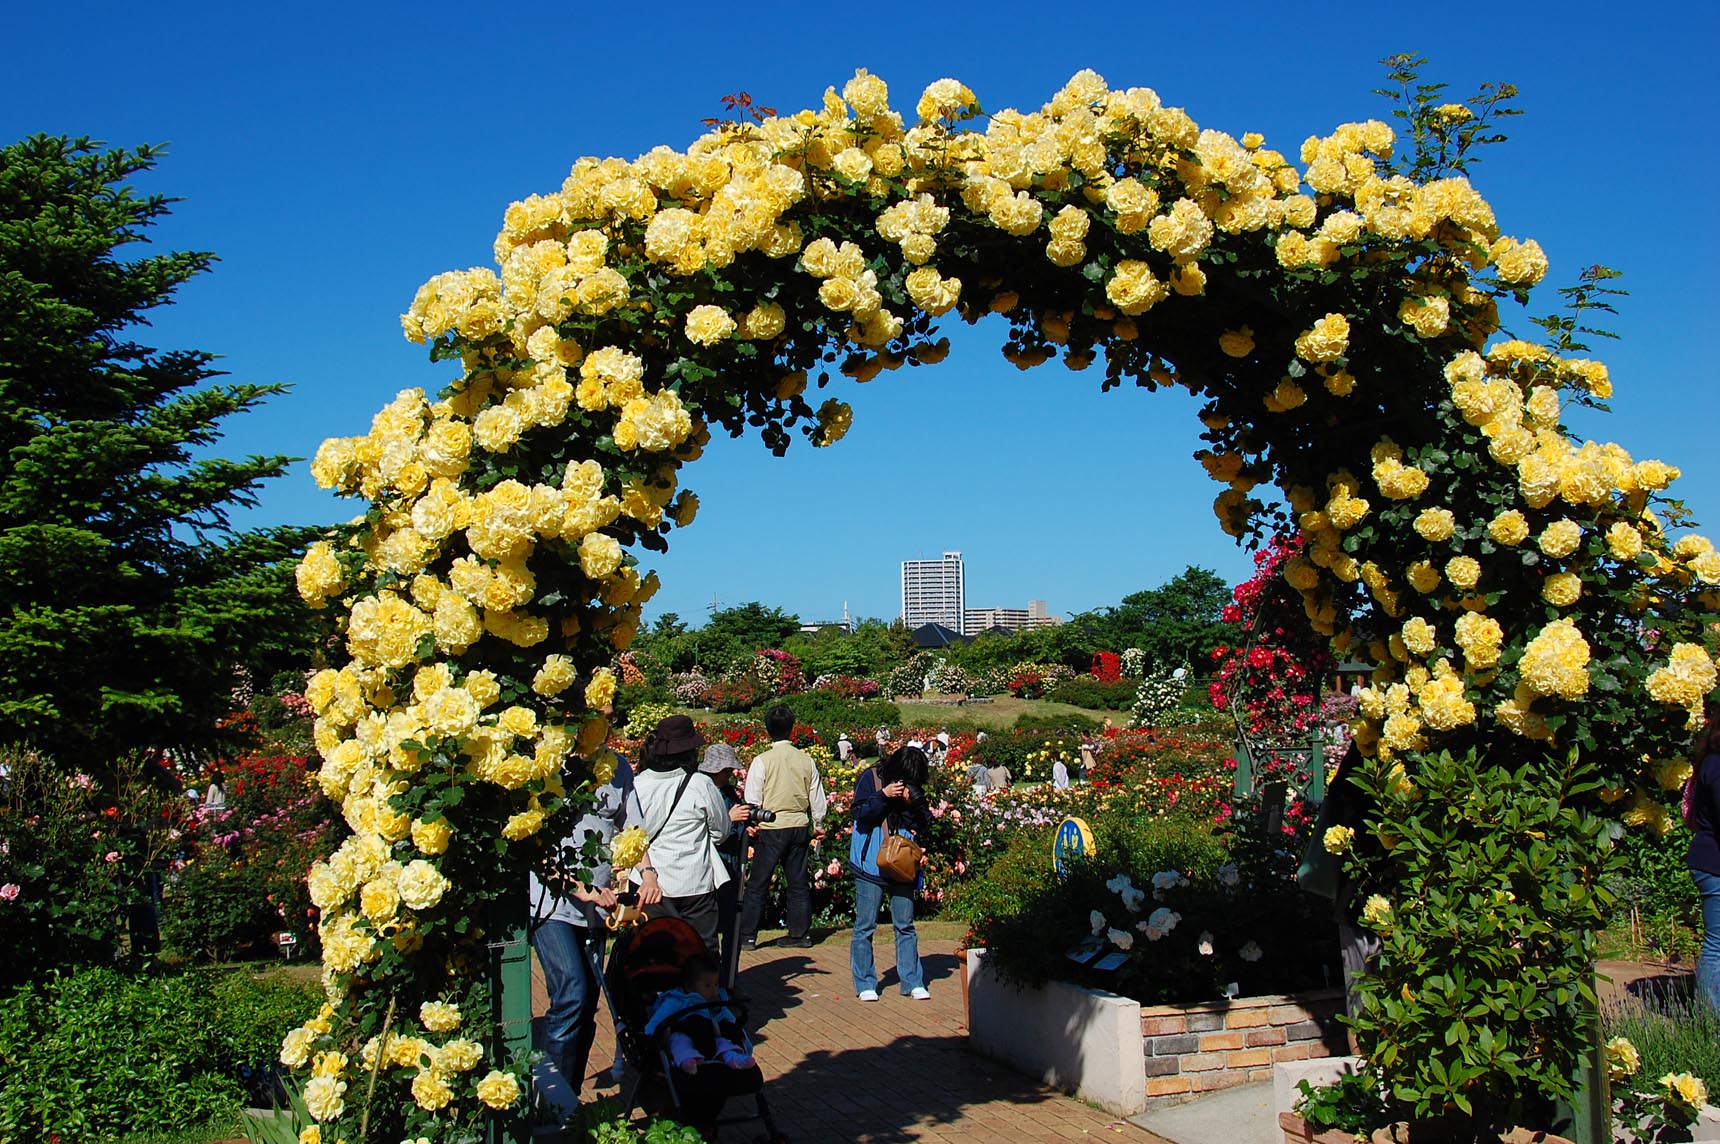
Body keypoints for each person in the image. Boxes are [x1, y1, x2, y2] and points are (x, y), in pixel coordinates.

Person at [529, 750, 662, 1097]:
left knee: (588, 1001)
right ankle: (549, 1101)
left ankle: (567, 1099)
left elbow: (632, 827)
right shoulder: (550, 760)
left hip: (596, 905)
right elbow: (533, 841)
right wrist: (577, 887)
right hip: (552, 901)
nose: (603, 726)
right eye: (596, 714)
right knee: (572, 993)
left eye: (609, 716)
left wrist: (648, 874)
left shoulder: (617, 767)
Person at [634, 715, 732, 952]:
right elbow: (721, 831)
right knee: (701, 952)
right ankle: (703, 989)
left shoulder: (638, 784)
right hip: (695, 883)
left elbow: (628, 835)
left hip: (652, 883)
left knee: (655, 953)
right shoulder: (700, 783)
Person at [644, 951, 763, 1138]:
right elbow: (655, 1023)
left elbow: (730, 1020)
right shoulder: (677, 1000)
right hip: (685, 1036)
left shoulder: (717, 1002)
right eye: (707, 985)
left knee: (725, 1040)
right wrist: (653, 1035)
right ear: (690, 986)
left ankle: (735, 1059)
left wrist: (742, 1039)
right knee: (680, 1041)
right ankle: (688, 1060)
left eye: (715, 984)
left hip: (712, 1043)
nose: (713, 990)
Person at [738, 705, 828, 950]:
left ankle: (747, 935)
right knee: (797, 882)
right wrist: (818, 823)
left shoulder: (762, 761)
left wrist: (753, 823)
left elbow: (752, 798)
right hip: (798, 824)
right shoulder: (805, 760)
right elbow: (816, 796)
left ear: (768, 730)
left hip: (771, 824)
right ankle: (800, 934)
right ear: (792, 729)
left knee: (758, 883)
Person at [849, 744, 932, 1001]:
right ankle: (865, 983)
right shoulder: (871, 778)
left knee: (905, 924)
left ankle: (912, 980)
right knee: (865, 924)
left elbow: (925, 824)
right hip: (870, 861)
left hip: (902, 862)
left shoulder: (912, 786)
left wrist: (914, 804)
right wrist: (884, 795)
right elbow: (860, 814)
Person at [700, 742, 751, 990]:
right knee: (709, 930)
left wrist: (747, 826)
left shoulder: (730, 792)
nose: (729, 773)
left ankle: (730, 978)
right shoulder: (701, 789)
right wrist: (729, 820)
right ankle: (712, 983)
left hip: (731, 866)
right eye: (726, 769)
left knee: (733, 926)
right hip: (710, 868)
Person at [1686, 701, 1720, 1010]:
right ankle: (1710, 1022)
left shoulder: (1710, 760)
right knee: (1717, 946)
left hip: (1708, 859)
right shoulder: (1718, 765)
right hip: (1715, 863)